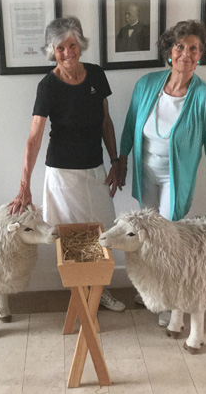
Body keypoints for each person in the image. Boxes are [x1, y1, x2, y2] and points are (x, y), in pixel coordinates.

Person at [118, 19, 206, 325]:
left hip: (175, 180)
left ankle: (170, 305)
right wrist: (120, 160)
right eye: (180, 47)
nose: (185, 54)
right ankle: (152, 291)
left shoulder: (203, 97)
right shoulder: (147, 84)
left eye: (193, 49)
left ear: (200, 55)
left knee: (168, 240)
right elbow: (130, 124)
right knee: (147, 237)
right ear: (170, 51)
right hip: (146, 174)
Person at [8, 16, 125, 312]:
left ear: (80, 45)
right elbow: (34, 139)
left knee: (102, 232)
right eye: (60, 48)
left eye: (72, 45)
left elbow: (106, 122)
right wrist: (24, 187)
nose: (68, 52)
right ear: (52, 51)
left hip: (95, 168)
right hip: (62, 173)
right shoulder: (48, 86)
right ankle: (81, 295)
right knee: (72, 237)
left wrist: (115, 160)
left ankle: (99, 292)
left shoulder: (97, 75)